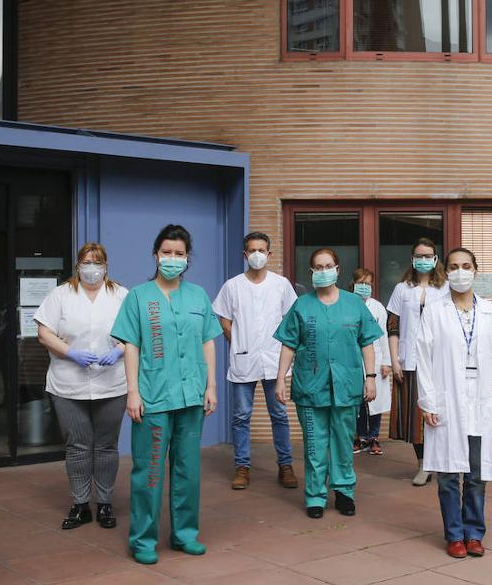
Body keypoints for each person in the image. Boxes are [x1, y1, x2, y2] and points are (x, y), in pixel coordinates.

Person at [110, 224, 222, 564]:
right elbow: (131, 345)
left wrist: (211, 386)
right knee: (150, 471)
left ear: (187, 259)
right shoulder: (139, 297)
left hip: (191, 396)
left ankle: (185, 534)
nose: (172, 259)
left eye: (179, 253)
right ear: (155, 255)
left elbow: (208, 341)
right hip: (153, 396)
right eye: (166, 253)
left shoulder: (199, 295)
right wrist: (132, 392)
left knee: (188, 470)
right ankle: (143, 540)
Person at [417, 248, 492, 558]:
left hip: (481, 399)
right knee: (447, 474)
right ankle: (454, 535)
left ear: (475, 270)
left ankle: (474, 533)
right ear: (446, 271)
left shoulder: (491, 311)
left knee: (476, 473)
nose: (460, 272)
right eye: (454, 266)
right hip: (447, 399)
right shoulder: (434, 311)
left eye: (466, 266)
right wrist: (428, 402)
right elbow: (424, 359)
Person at [275, 248, 382, 518]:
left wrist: (371, 378)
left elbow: (367, 342)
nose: (324, 271)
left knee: (344, 442)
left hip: (346, 385)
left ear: (337, 269)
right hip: (310, 386)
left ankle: (344, 492)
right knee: (314, 444)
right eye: (318, 267)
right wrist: (280, 379)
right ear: (311, 272)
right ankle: (315, 495)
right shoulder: (302, 305)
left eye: (328, 266)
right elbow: (288, 344)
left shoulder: (354, 303)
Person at [34, 242, 129, 530]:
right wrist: (69, 351)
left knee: (106, 446)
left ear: (106, 266)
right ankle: (79, 505)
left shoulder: (120, 295)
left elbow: (135, 333)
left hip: (112, 383)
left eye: (97, 262)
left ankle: (104, 504)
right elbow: (43, 332)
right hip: (68, 383)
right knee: (77, 446)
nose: (91, 268)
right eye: (86, 262)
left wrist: (120, 350)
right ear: (77, 265)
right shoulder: (61, 295)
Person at [212, 232, 299, 490]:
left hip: (274, 360)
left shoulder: (281, 284)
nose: (257, 255)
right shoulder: (232, 286)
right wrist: (235, 340)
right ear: (244, 254)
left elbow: (290, 319)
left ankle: (285, 465)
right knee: (241, 416)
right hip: (244, 358)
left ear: (269, 254)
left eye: (262, 250)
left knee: (280, 415)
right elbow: (223, 318)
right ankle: (242, 467)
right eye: (252, 250)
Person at [387, 238, 450, 485]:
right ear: (412, 259)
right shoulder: (402, 288)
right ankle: (423, 464)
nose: (423, 260)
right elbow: (392, 327)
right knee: (415, 416)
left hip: (439, 362)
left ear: (435, 259)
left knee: (440, 412)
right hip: (409, 362)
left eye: (428, 256)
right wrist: (394, 361)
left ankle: (442, 462)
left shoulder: (445, 288)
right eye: (419, 256)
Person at [352, 267, 393, 455]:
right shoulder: (347, 303)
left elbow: (384, 336)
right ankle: (360, 437)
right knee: (359, 402)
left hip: (375, 361)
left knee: (375, 401)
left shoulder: (377, 307)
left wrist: (387, 361)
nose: (364, 287)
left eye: (368, 283)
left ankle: (374, 437)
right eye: (361, 283)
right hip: (353, 361)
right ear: (353, 283)